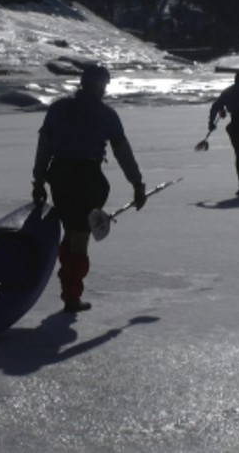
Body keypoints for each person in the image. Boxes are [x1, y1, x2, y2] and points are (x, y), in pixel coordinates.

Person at [32, 65, 146, 313]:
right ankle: (72, 296)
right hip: (87, 180)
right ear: (101, 85)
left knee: (71, 232)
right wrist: (137, 184)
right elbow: (122, 152)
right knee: (80, 236)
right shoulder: (106, 114)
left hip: (60, 178)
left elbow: (44, 147)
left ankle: (68, 289)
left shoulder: (58, 109)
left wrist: (39, 181)